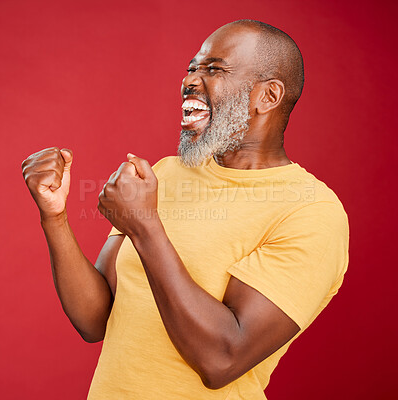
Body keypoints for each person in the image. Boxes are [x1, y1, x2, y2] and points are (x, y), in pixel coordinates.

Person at [21, 19, 349, 400]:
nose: (190, 81)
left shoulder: (311, 212)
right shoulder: (166, 173)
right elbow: (95, 320)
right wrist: (54, 216)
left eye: (213, 69)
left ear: (268, 96)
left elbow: (222, 359)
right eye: (192, 67)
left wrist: (145, 225)